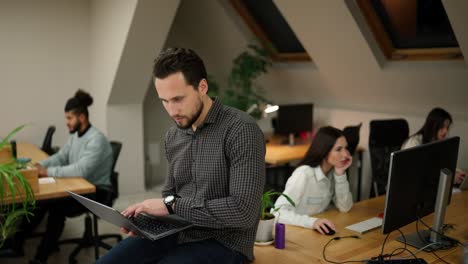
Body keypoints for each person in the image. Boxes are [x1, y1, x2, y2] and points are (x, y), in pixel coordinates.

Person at [96, 48, 265, 264]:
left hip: (224, 242)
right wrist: (148, 221)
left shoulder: (241, 130)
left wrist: (171, 206)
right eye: (164, 101)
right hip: (176, 231)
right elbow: (170, 194)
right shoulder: (173, 136)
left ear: (202, 87)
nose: (171, 110)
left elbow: (244, 212)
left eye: (178, 99)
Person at [15, 90, 114, 264]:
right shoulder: (76, 136)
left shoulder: (96, 140)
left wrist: (48, 172)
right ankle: (17, 242)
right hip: (78, 185)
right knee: (42, 201)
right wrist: (42, 166)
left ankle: (41, 257)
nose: (66, 122)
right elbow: (61, 156)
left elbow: (81, 170)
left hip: (96, 191)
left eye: (69, 118)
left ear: (81, 117)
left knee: (56, 207)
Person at [274, 126, 353, 235]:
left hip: (313, 232)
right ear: (324, 150)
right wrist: (313, 222)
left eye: (345, 148)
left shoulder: (331, 173)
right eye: (338, 149)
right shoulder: (304, 174)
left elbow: (345, 207)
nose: (345, 154)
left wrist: (340, 174)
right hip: (294, 234)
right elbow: (277, 213)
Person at [401, 107, 466, 184]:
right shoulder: (414, 142)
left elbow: (442, 167)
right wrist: (450, 179)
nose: (445, 131)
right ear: (432, 125)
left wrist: (459, 172)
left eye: (447, 127)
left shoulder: (438, 144)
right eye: (442, 127)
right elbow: (416, 174)